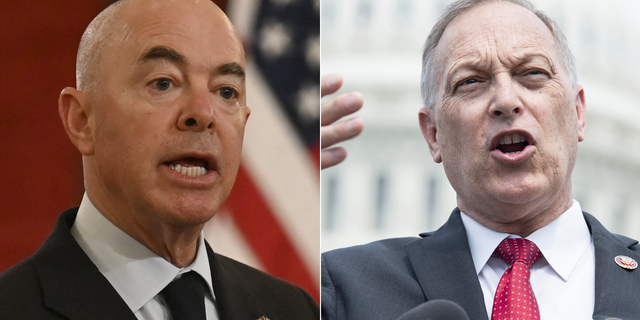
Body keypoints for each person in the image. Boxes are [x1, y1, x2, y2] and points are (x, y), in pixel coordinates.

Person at [321, 0, 640, 319]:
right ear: (434, 134)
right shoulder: (339, 290)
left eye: (533, 73)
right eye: (470, 81)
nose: (506, 101)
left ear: (578, 112)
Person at [0, 0, 318, 319]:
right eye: (163, 83)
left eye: (226, 92)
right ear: (82, 120)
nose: (203, 114)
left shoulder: (293, 310)